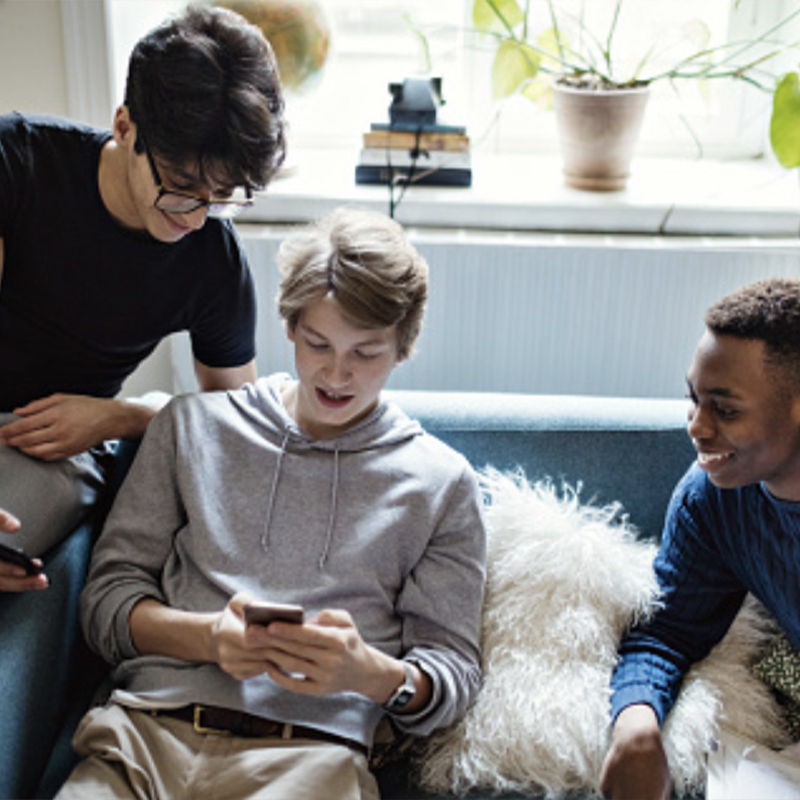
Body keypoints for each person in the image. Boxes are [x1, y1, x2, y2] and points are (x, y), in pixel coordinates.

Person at [54, 207, 487, 800]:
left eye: (367, 353)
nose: (337, 373)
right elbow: (105, 606)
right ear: (288, 328)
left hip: (311, 761)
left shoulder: (441, 484)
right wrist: (210, 639)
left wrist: (370, 674)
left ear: (402, 348)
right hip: (142, 742)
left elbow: (454, 676)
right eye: (318, 343)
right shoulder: (190, 427)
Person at [0, 3, 286, 592]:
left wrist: (122, 417)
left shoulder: (213, 257)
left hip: (50, 449)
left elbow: (237, 421)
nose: (199, 215)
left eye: (225, 194)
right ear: (124, 126)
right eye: (181, 189)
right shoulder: (18, 163)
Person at [599, 277, 800, 800]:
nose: (696, 427)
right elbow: (667, 632)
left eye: (725, 410)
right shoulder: (714, 497)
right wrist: (636, 725)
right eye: (693, 399)